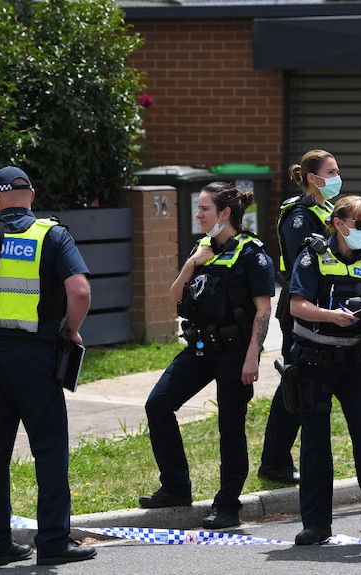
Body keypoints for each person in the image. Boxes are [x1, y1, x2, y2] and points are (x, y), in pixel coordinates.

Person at [0, 166, 96, 566]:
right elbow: (79, 290)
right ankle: (53, 543)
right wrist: (70, 332)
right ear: (31, 195)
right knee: (49, 450)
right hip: (37, 359)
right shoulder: (51, 235)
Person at [259, 149, 361, 485]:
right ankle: (275, 460)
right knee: (295, 386)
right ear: (313, 177)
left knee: (360, 383)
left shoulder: (327, 211)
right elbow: (303, 266)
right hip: (307, 310)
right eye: (332, 171)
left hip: (343, 313)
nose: (338, 176)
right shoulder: (300, 216)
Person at [141, 181, 274, 530]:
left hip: (235, 353)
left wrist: (253, 357)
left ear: (225, 213)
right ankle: (175, 487)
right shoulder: (202, 249)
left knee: (230, 427)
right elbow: (174, 298)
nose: (197, 215)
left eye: (204, 209)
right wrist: (191, 265)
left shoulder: (251, 253)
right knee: (158, 404)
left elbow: (263, 310)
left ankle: (228, 505)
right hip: (200, 348)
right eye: (198, 208)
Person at [288, 195, 361, 546]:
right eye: (360, 225)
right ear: (338, 224)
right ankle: (316, 525)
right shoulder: (313, 256)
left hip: (357, 364)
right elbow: (297, 305)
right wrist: (331, 316)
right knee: (315, 446)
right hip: (314, 362)